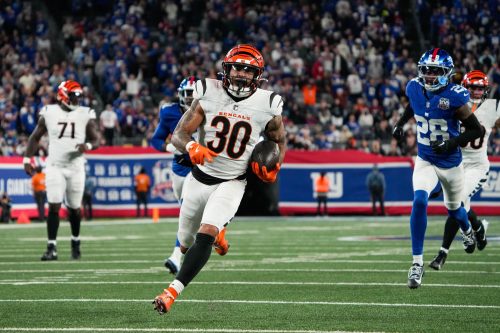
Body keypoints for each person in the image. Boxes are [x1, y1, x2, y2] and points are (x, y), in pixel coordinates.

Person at [152, 44, 286, 314]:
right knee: (185, 239)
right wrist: (191, 147)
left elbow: (279, 139)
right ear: (226, 69)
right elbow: (179, 134)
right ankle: (220, 235)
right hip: (199, 178)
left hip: (233, 181)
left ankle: (171, 293)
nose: (241, 74)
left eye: (248, 70)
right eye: (237, 67)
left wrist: (276, 164)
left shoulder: (268, 103)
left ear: (257, 75)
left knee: (206, 233)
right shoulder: (207, 92)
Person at [392, 48, 482, 289]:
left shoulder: (455, 95)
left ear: (446, 73)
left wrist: (451, 143)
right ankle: (417, 263)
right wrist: (400, 124)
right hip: (425, 159)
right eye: (426, 71)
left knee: (455, 210)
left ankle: (467, 229)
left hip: (451, 163)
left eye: (435, 72)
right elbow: (414, 105)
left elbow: (477, 130)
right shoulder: (413, 87)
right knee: (419, 201)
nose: (429, 76)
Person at [429, 70, 500, 270]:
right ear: (465, 88)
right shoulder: (455, 104)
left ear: (485, 89)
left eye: (480, 88)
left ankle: (442, 254)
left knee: (456, 204)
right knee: (462, 208)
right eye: (473, 87)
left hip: (477, 166)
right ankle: (478, 228)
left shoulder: (493, 108)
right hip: (456, 163)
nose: (477, 92)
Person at [23, 80, 100, 260]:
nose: (77, 100)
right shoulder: (49, 112)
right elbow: (35, 137)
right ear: (64, 95)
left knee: (74, 208)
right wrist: (27, 158)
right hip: (55, 166)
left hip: (75, 167)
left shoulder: (84, 114)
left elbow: (97, 140)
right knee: (54, 205)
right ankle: (52, 248)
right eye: (74, 96)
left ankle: (75, 242)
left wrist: (87, 145)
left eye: (79, 96)